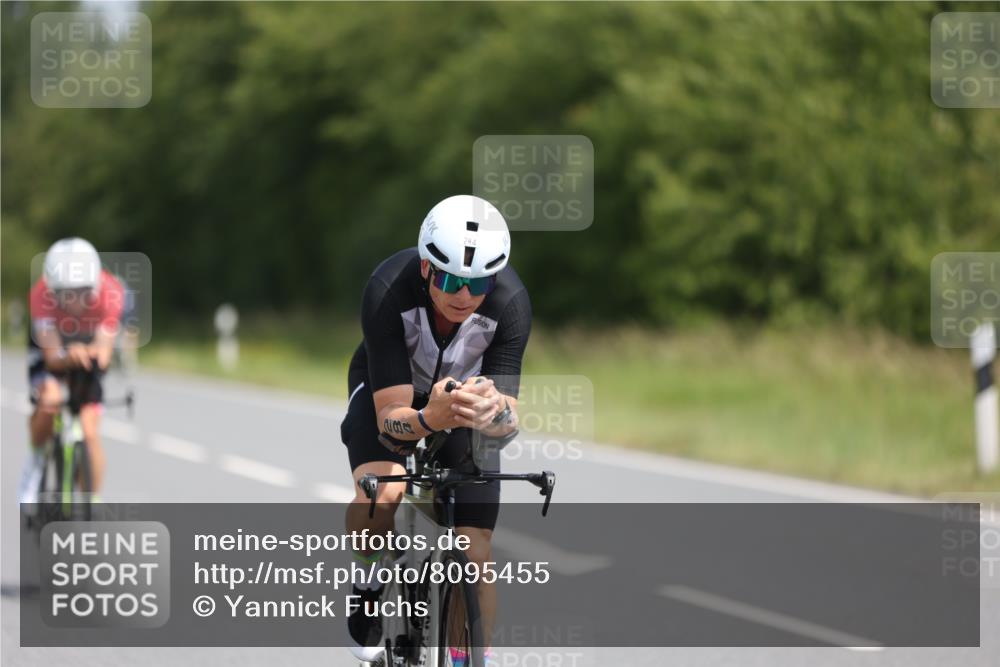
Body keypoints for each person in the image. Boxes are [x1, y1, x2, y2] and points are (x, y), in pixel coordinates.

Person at [340, 195, 531, 663]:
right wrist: (429, 419)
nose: (464, 296)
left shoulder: (511, 304)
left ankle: (471, 660)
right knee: (381, 495)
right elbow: (391, 416)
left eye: (479, 282)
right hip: (391, 387)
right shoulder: (388, 288)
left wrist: (496, 413)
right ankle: (367, 581)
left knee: (476, 545)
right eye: (450, 280)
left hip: (462, 401)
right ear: (426, 269)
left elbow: (508, 411)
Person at [19, 237, 125, 508]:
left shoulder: (111, 292)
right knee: (50, 400)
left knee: (89, 432)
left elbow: (103, 353)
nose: (75, 301)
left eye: (82, 292)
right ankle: (35, 462)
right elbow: (52, 358)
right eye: (66, 293)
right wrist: (69, 355)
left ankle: (93, 501)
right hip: (54, 347)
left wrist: (86, 353)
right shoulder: (40, 294)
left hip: (88, 348)